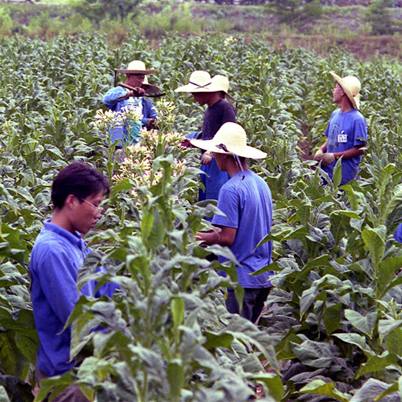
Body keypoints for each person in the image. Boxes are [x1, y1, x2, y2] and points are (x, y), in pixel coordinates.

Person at [30, 162, 119, 402]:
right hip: (68, 379)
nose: (99, 214)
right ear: (71, 201)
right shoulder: (52, 251)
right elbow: (77, 321)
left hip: (85, 371)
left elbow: (105, 286)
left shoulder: (75, 242)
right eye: (96, 205)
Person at [192, 122, 273, 323]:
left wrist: (195, 236)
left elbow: (227, 237)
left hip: (239, 280)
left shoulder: (230, 189)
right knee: (248, 342)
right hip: (262, 278)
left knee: (235, 348)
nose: (214, 157)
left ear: (225, 155)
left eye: (216, 152)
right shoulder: (261, 184)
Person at [175, 71, 237, 201]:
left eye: (195, 94)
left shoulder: (224, 107)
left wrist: (211, 151)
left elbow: (230, 132)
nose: (194, 97)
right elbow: (209, 134)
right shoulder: (210, 109)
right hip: (208, 162)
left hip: (220, 162)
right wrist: (189, 140)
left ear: (207, 92)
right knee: (205, 198)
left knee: (216, 199)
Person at [313, 72, 367, 186]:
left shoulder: (357, 119)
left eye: (335, 88)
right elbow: (331, 138)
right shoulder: (335, 114)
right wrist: (321, 150)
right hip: (326, 175)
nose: (333, 91)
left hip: (345, 178)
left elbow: (361, 148)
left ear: (342, 92)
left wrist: (334, 156)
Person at [103, 60, 159, 147]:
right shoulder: (119, 90)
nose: (141, 82)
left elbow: (138, 119)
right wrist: (129, 94)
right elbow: (106, 100)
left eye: (143, 79)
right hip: (119, 144)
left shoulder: (140, 99)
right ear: (129, 75)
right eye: (139, 78)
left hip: (136, 144)